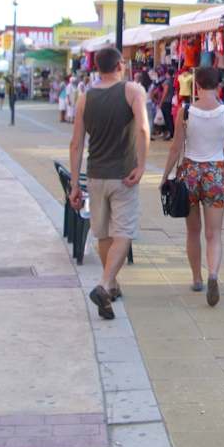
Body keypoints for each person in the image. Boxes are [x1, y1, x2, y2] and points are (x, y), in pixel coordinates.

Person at [68, 47, 149, 321]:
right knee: (123, 233)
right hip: (123, 175)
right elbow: (142, 129)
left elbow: (77, 143)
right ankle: (104, 284)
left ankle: (111, 285)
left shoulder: (84, 98)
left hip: (95, 175)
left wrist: (74, 185)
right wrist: (141, 165)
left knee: (103, 235)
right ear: (120, 65)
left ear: (97, 68)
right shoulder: (132, 91)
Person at [160, 67, 224, 306]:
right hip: (215, 169)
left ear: (197, 85)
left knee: (193, 231)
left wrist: (165, 176)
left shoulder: (185, 112)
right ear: (218, 85)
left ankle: (196, 277)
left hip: (190, 172)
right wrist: (221, 169)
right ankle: (214, 273)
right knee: (214, 234)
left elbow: (175, 148)